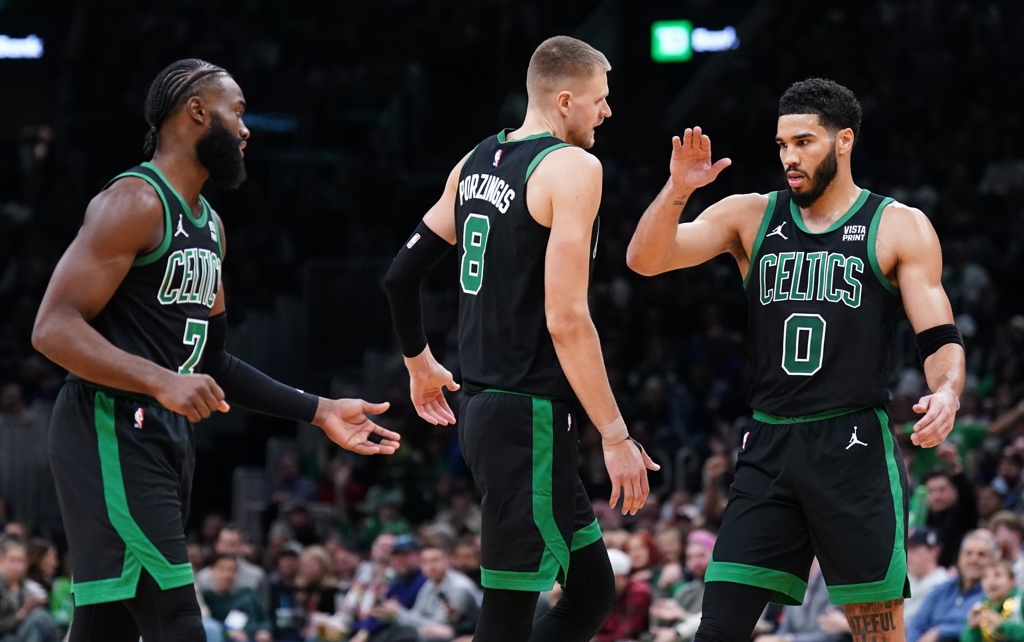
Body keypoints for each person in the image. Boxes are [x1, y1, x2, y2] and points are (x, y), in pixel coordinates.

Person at [31, 58, 402, 642]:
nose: (246, 129)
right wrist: (161, 379)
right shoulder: (133, 201)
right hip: (109, 427)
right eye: (239, 111)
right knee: (178, 620)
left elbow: (211, 364)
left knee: (105, 625)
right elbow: (52, 328)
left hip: (162, 435)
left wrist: (320, 409)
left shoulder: (211, 227)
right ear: (198, 111)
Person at [627, 78, 966, 642]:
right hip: (770, 446)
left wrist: (948, 391)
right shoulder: (750, 215)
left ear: (843, 141)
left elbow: (938, 337)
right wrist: (677, 190)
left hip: (852, 447)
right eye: (782, 144)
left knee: (877, 634)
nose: (789, 156)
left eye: (804, 142)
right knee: (716, 631)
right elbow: (646, 259)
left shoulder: (897, 225)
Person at [383, 35, 658, 642]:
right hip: (526, 416)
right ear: (565, 101)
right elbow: (566, 318)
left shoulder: (475, 161)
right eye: (599, 99)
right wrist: (615, 435)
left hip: (489, 411)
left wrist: (419, 363)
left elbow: (401, 275)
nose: (607, 111)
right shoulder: (574, 167)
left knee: (591, 591)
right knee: (506, 619)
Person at [906, 529, 993, 642]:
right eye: (968, 553)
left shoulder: (993, 593)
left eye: (981, 555)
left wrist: (940, 632)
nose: (973, 559)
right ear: (959, 558)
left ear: (993, 560)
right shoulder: (942, 589)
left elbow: (985, 624)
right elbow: (916, 623)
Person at [962, 560, 1024, 642]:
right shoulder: (980, 607)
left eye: (997, 575)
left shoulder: (1020, 600)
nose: (990, 582)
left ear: (1012, 581)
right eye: (985, 577)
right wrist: (972, 628)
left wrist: (1001, 624)